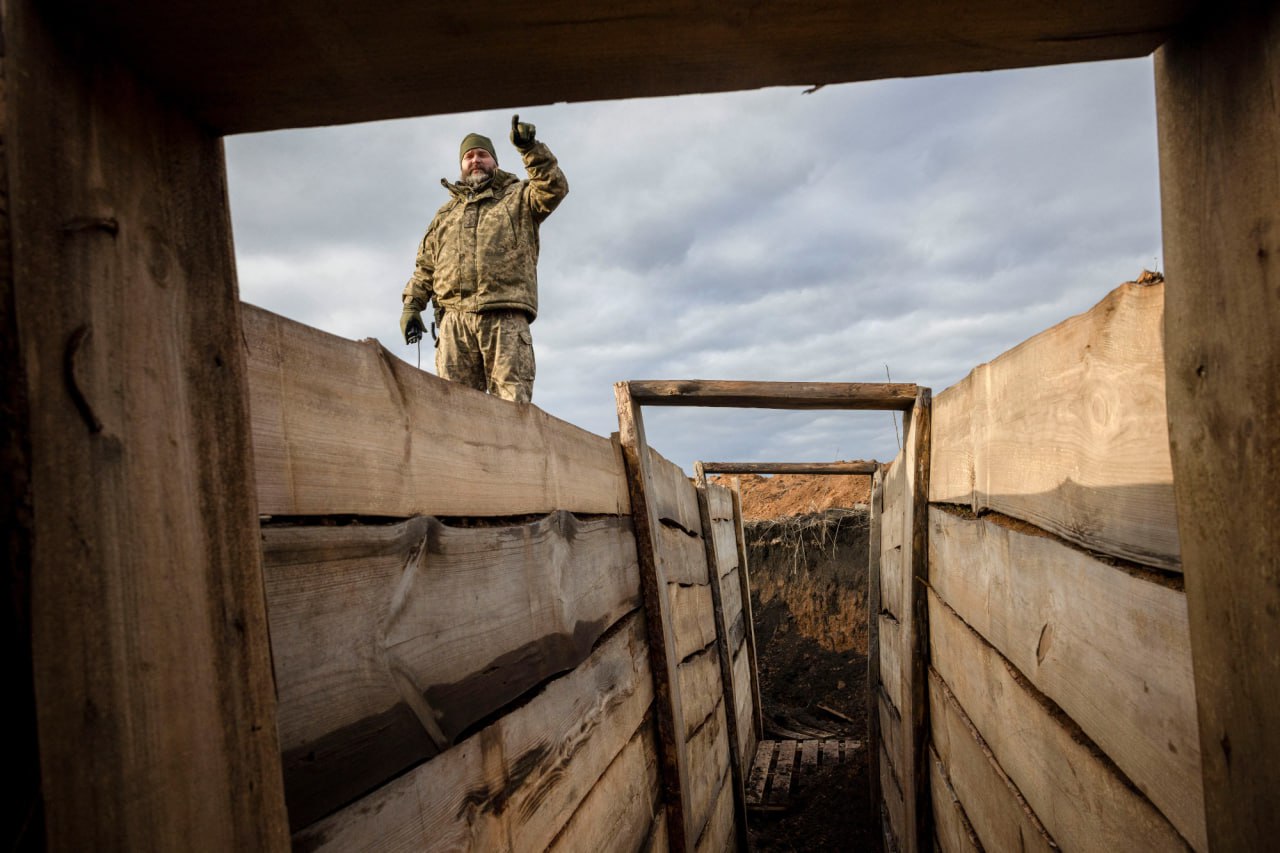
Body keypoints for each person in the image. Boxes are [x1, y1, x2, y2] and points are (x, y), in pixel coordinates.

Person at [399, 115, 568, 403]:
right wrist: (412, 306)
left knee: (512, 406)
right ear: (461, 166)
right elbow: (426, 266)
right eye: (469, 156)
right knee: (453, 408)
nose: (475, 160)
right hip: (454, 322)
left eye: (482, 154)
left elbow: (553, 188)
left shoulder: (520, 197)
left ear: (495, 162)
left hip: (504, 316)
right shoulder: (445, 215)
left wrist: (530, 149)